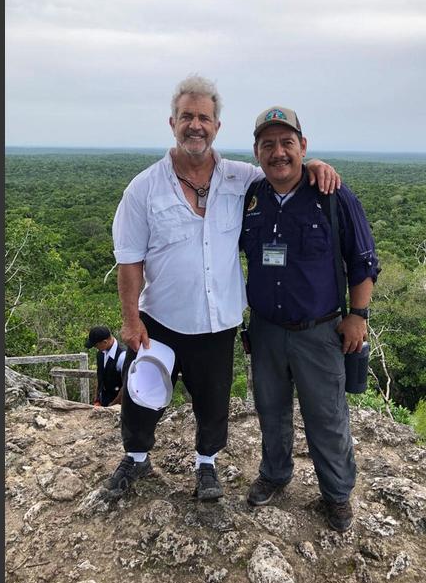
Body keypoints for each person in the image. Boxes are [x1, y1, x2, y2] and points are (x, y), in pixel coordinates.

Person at [105, 75, 341, 502]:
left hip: (218, 323)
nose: (195, 125)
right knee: (143, 396)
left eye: (204, 118)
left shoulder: (242, 179)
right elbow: (129, 260)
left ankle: (206, 465)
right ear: (172, 122)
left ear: (217, 126)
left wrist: (315, 167)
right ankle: (136, 456)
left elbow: (283, 170)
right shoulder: (143, 189)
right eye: (187, 117)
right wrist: (130, 319)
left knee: (213, 403)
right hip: (159, 318)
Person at [239, 106, 380, 532]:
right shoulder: (250, 198)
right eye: (268, 145)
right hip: (265, 331)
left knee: (327, 416)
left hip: (318, 331)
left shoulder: (333, 195)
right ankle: (276, 473)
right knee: (270, 410)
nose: (278, 153)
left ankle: (336, 494)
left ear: (303, 145)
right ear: (256, 152)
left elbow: (363, 261)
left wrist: (358, 316)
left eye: (287, 143)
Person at [84, 325, 127, 407]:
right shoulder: (100, 353)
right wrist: (97, 399)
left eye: (96, 345)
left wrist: (113, 405)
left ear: (105, 342)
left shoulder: (123, 356)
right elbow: (100, 377)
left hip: (119, 406)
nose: (96, 348)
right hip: (103, 403)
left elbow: (126, 386)